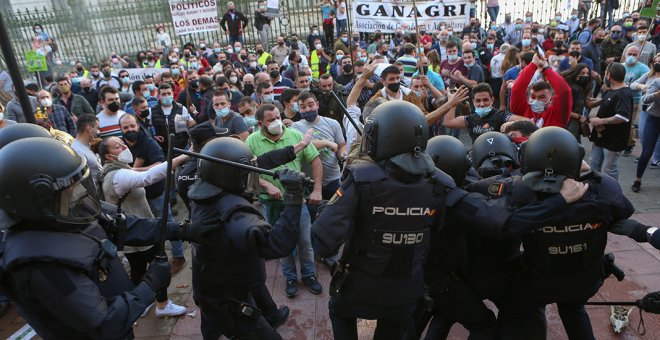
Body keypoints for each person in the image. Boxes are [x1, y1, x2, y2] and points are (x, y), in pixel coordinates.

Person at [0, 137, 174, 339]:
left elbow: (119, 225)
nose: (76, 192)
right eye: (68, 189)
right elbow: (103, 323)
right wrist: (150, 285)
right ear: (38, 200)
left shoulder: (61, 215)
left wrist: (178, 230)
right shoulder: (41, 265)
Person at [494, 127, 634, 340]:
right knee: (574, 310)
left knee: (513, 310)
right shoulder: (598, 188)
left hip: (539, 280)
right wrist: (590, 174)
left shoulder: (521, 190)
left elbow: (500, 218)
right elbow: (624, 209)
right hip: (585, 279)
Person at [183, 137, 307, 339]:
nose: (250, 177)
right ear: (232, 176)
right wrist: (293, 196)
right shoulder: (234, 214)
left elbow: (257, 163)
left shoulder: (204, 188)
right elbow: (277, 244)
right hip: (229, 300)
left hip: (209, 286)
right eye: (245, 174)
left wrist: (290, 151)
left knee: (211, 330)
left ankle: (270, 315)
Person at [96, 135, 189, 318]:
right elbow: (149, 177)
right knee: (159, 267)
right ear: (108, 157)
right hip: (142, 232)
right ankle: (162, 305)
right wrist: (185, 156)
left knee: (138, 270)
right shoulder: (117, 175)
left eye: (122, 143)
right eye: (117, 147)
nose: (123, 146)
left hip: (128, 234)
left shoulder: (115, 171)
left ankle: (138, 304)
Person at [245, 104, 323, 298]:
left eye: (278, 117)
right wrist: (266, 185)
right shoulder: (252, 141)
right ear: (261, 123)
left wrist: (317, 189)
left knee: (305, 240)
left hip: (297, 201)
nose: (277, 122)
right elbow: (248, 171)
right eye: (271, 120)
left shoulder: (295, 136)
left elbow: (315, 160)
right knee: (281, 243)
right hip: (271, 204)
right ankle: (290, 277)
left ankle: (309, 275)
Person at [588, 63, 633, 180]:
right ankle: (595, 191)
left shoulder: (623, 94)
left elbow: (623, 117)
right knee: (594, 164)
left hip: (614, 140)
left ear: (609, 76)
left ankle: (612, 195)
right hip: (602, 138)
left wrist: (600, 121)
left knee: (608, 170)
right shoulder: (612, 90)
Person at [443, 83, 528, 142]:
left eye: (485, 100)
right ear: (473, 102)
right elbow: (447, 122)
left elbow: (527, 122)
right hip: (478, 157)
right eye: (478, 101)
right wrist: (452, 102)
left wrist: (510, 124)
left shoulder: (501, 115)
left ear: (492, 100)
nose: (482, 104)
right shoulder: (471, 119)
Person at [510, 53, 572, 128]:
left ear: (551, 99)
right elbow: (517, 90)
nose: (536, 100)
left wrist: (547, 69)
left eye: (541, 97)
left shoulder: (558, 115)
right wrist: (533, 64)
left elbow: (564, 91)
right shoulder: (523, 110)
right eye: (533, 97)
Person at [631, 58, 660, 192]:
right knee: (647, 151)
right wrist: (656, 94)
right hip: (653, 118)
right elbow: (645, 99)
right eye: (657, 61)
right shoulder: (654, 80)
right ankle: (637, 180)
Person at [71, 114, 103, 186]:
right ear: (89, 128)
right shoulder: (77, 151)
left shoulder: (89, 145)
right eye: (97, 128)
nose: (99, 132)